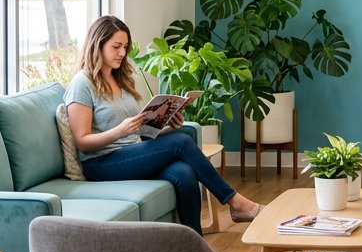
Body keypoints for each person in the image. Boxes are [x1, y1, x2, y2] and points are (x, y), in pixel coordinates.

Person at [64, 15, 263, 232]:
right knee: (182, 142)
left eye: (125, 47)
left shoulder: (119, 78)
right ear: (97, 44)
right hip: (101, 163)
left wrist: (168, 124)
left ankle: (194, 248)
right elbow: (82, 141)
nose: (122, 53)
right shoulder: (82, 84)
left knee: (184, 173)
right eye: (116, 47)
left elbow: (140, 131)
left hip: (130, 152)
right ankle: (235, 203)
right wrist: (120, 131)